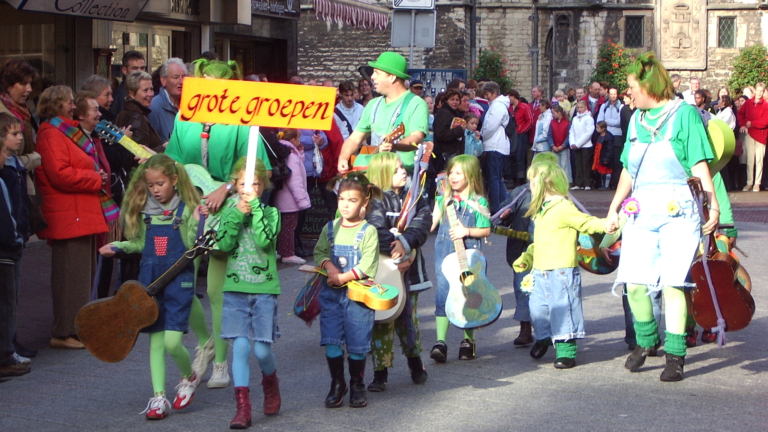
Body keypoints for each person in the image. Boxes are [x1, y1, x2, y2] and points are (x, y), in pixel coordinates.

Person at [608, 52, 719, 382]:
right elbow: (629, 169)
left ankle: (675, 355)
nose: (629, 95)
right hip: (641, 208)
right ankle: (645, 341)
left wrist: (711, 205)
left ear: (648, 84)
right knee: (634, 281)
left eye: (631, 88)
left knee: (673, 284)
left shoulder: (684, 115)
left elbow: (699, 164)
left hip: (678, 210)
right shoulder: (635, 121)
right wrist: (614, 207)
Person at [165, 58, 272, 391]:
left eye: (217, 82)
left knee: (215, 289)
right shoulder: (185, 117)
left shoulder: (242, 119)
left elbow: (258, 169)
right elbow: (174, 161)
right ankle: (206, 342)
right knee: (182, 280)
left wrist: (225, 188)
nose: (211, 87)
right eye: (205, 81)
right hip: (190, 208)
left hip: (229, 210)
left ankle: (222, 363)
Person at [99, 154, 203, 419]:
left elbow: (195, 243)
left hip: (180, 280)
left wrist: (204, 222)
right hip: (150, 283)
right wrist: (119, 246)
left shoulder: (187, 210)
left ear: (175, 180)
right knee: (156, 342)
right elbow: (139, 245)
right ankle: (158, 398)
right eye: (151, 185)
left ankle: (189, 376)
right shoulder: (146, 213)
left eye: (160, 184)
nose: (156, 190)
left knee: (172, 342)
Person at [513, 161, 613, 369]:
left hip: (561, 271)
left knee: (564, 309)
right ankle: (543, 338)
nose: (529, 186)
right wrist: (527, 257)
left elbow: (585, 222)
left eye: (532, 181)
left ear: (544, 183)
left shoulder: (563, 206)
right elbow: (538, 241)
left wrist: (606, 224)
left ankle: (566, 350)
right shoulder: (540, 210)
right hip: (540, 271)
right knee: (537, 310)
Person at [36, 85, 112, 350]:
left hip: (79, 213)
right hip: (71, 215)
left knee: (81, 276)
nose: (73, 106)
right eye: (69, 102)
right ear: (57, 105)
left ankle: (77, 328)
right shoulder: (51, 134)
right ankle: (65, 331)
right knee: (71, 277)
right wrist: (94, 178)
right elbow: (59, 174)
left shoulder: (64, 132)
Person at [215, 157, 282, 428]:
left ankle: (271, 382)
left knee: (262, 350)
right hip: (235, 289)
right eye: (243, 184)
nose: (249, 188)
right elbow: (223, 244)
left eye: (254, 183)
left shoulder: (271, 213)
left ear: (263, 186)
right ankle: (242, 406)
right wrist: (236, 214)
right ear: (234, 186)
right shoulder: (230, 212)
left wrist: (255, 209)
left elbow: (265, 240)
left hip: (264, 289)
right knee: (240, 347)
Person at [313, 173, 381, 409]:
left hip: (358, 298)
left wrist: (343, 276)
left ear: (364, 204)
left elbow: (367, 265)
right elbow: (320, 252)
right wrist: (329, 265)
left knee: (357, 344)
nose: (345, 204)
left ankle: (357, 384)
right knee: (331, 340)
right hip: (331, 296)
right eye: (342, 199)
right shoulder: (329, 228)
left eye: (352, 200)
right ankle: (337, 382)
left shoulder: (368, 231)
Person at [365, 152, 431, 392]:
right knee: (382, 320)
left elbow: (422, 224)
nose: (403, 172)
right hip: (383, 272)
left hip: (410, 271)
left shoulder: (416, 197)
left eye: (403, 167)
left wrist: (406, 242)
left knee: (408, 320)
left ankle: (415, 361)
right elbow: (373, 229)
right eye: (396, 169)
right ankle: (380, 372)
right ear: (382, 174)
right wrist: (395, 246)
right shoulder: (374, 199)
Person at [429, 155, 491, 362]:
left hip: (469, 251)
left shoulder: (478, 202)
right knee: (443, 290)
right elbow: (431, 225)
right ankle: (440, 341)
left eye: (458, 173)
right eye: (451, 172)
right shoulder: (442, 199)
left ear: (471, 176)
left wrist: (467, 230)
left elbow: (486, 230)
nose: (453, 177)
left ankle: (468, 340)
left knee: (469, 290)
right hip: (444, 250)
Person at [73, 92, 120, 299]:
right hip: (91, 209)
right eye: (94, 110)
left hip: (104, 204)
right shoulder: (77, 139)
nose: (99, 114)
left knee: (105, 261)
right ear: (81, 115)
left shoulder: (96, 137)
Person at [0, 113, 32, 366]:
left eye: (21, 132)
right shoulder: (6, 171)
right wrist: (15, 238)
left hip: (15, 238)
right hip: (8, 245)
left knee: (13, 297)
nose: (20, 137)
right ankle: (6, 350)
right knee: (8, 299)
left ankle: (11, 342)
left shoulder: (15, 165)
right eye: (14, 134)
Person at [274, 130, 310, 264]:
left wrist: (300, 153)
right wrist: (302, 200)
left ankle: (280, 251)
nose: (300, 142)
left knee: (282, 227)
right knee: (288, 229)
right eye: (299, 139)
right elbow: (295, 181)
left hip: (282, 198)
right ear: (293, 140)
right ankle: (287, 253)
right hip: (290, 201)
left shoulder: (286, 152)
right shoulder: (291, 156)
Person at [115, 70, 164, 153]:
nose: (150, 94)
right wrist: (163, 147)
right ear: (132, 94)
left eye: (151, 89)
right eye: (145, 90)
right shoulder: (137, 117)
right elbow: (140, 154)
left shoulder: (127, 112)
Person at [480, 82, 510, 213]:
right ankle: (506, 204)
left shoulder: (497, 106)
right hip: (497, 144)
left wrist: (482, 136)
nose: (486, 97)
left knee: (493, 178)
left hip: (494, 145)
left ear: (494, 93)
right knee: (497, 178)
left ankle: (496, 208)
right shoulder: (498, 105)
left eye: (487, 94)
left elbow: (491, 126)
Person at [736, 82, 767, 192]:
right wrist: (743, 124)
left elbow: (765, 121)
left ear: (763, 92)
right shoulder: (748, 103)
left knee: (759, 161)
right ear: (755, 91)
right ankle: (749, 182)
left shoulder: (765, 105)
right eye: (758, 90)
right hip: (750, 134)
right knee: (749, 160)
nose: (759, 93)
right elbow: (740, 114)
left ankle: (757, 183)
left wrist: (752, 123)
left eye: (761, 91)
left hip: (761, 136)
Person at [148, 58, 187, 143]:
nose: (181, 82)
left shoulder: (191, 106)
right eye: (176, 77)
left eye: (184, 77)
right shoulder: (154, 108)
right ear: (163, 80)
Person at [508, 90, 535, 185]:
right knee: (512, 156)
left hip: (520, 134)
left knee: (520, 156)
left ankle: (520, 178)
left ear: (514, 97)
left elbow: (530, 120)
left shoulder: (524, 107)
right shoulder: (509, 108)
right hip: (511, 134)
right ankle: (513, 177)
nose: (508, 100)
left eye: (509, 97)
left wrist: (522, 130)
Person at [111, 51, 147, 117]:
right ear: (124, 70)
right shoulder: (121, 95)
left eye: (142, 68)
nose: (140, 72)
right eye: (135, 68)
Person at [569, 101, 595, 190]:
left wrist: (578, 144)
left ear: (585, 108)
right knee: (578, 164)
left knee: (586, 165)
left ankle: (587, 183)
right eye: (578, 108)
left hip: (585, 145)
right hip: (576, 145)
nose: (579, 109)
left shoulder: (589, 118)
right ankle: (578, 183)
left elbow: (588, 133)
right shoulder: (575, 118)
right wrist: (572, 143)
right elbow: (571, 131)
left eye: (581, 107)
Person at [548, 105, 572, 184]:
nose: (552, 114)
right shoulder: (552, 123)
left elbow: (569, 135)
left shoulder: (567, 123)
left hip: (563, 148)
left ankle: (565, 182)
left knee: (564, 166)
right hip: (555, 147)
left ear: (559, 113)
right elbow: (549, 135)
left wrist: (563, 145)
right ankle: (556, 182)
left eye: (554, 113)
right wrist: (552, 145)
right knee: (556, 166)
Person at [593, 121, 614, 190]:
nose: (597, 129)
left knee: (606, 171)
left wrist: (607, 158)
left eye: (598, 128)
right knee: (601, 172)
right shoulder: (598, 136)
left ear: (603, 129)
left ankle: (606, 185)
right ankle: (602, 184)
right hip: (599, 156)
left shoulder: (608, 137)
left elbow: (609, 149)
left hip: (604, 157)